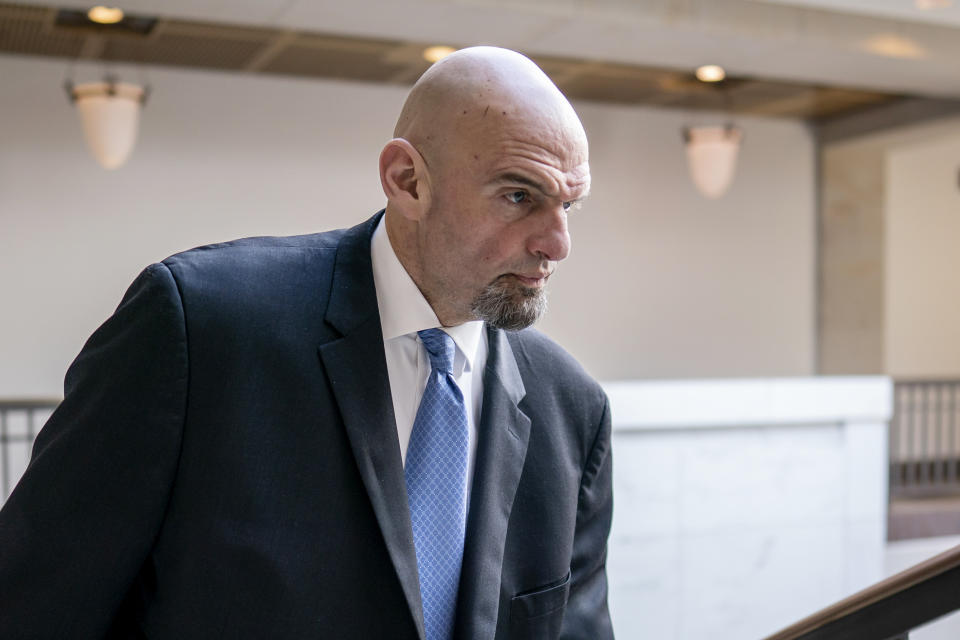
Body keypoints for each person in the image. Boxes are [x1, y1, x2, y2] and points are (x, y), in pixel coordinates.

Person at [0, 46, 613, 639]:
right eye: (518, 196)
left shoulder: (572, 410)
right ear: (407, 181)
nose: (557, 244)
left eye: (569, 204)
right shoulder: (200, 328)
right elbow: (35, 607)